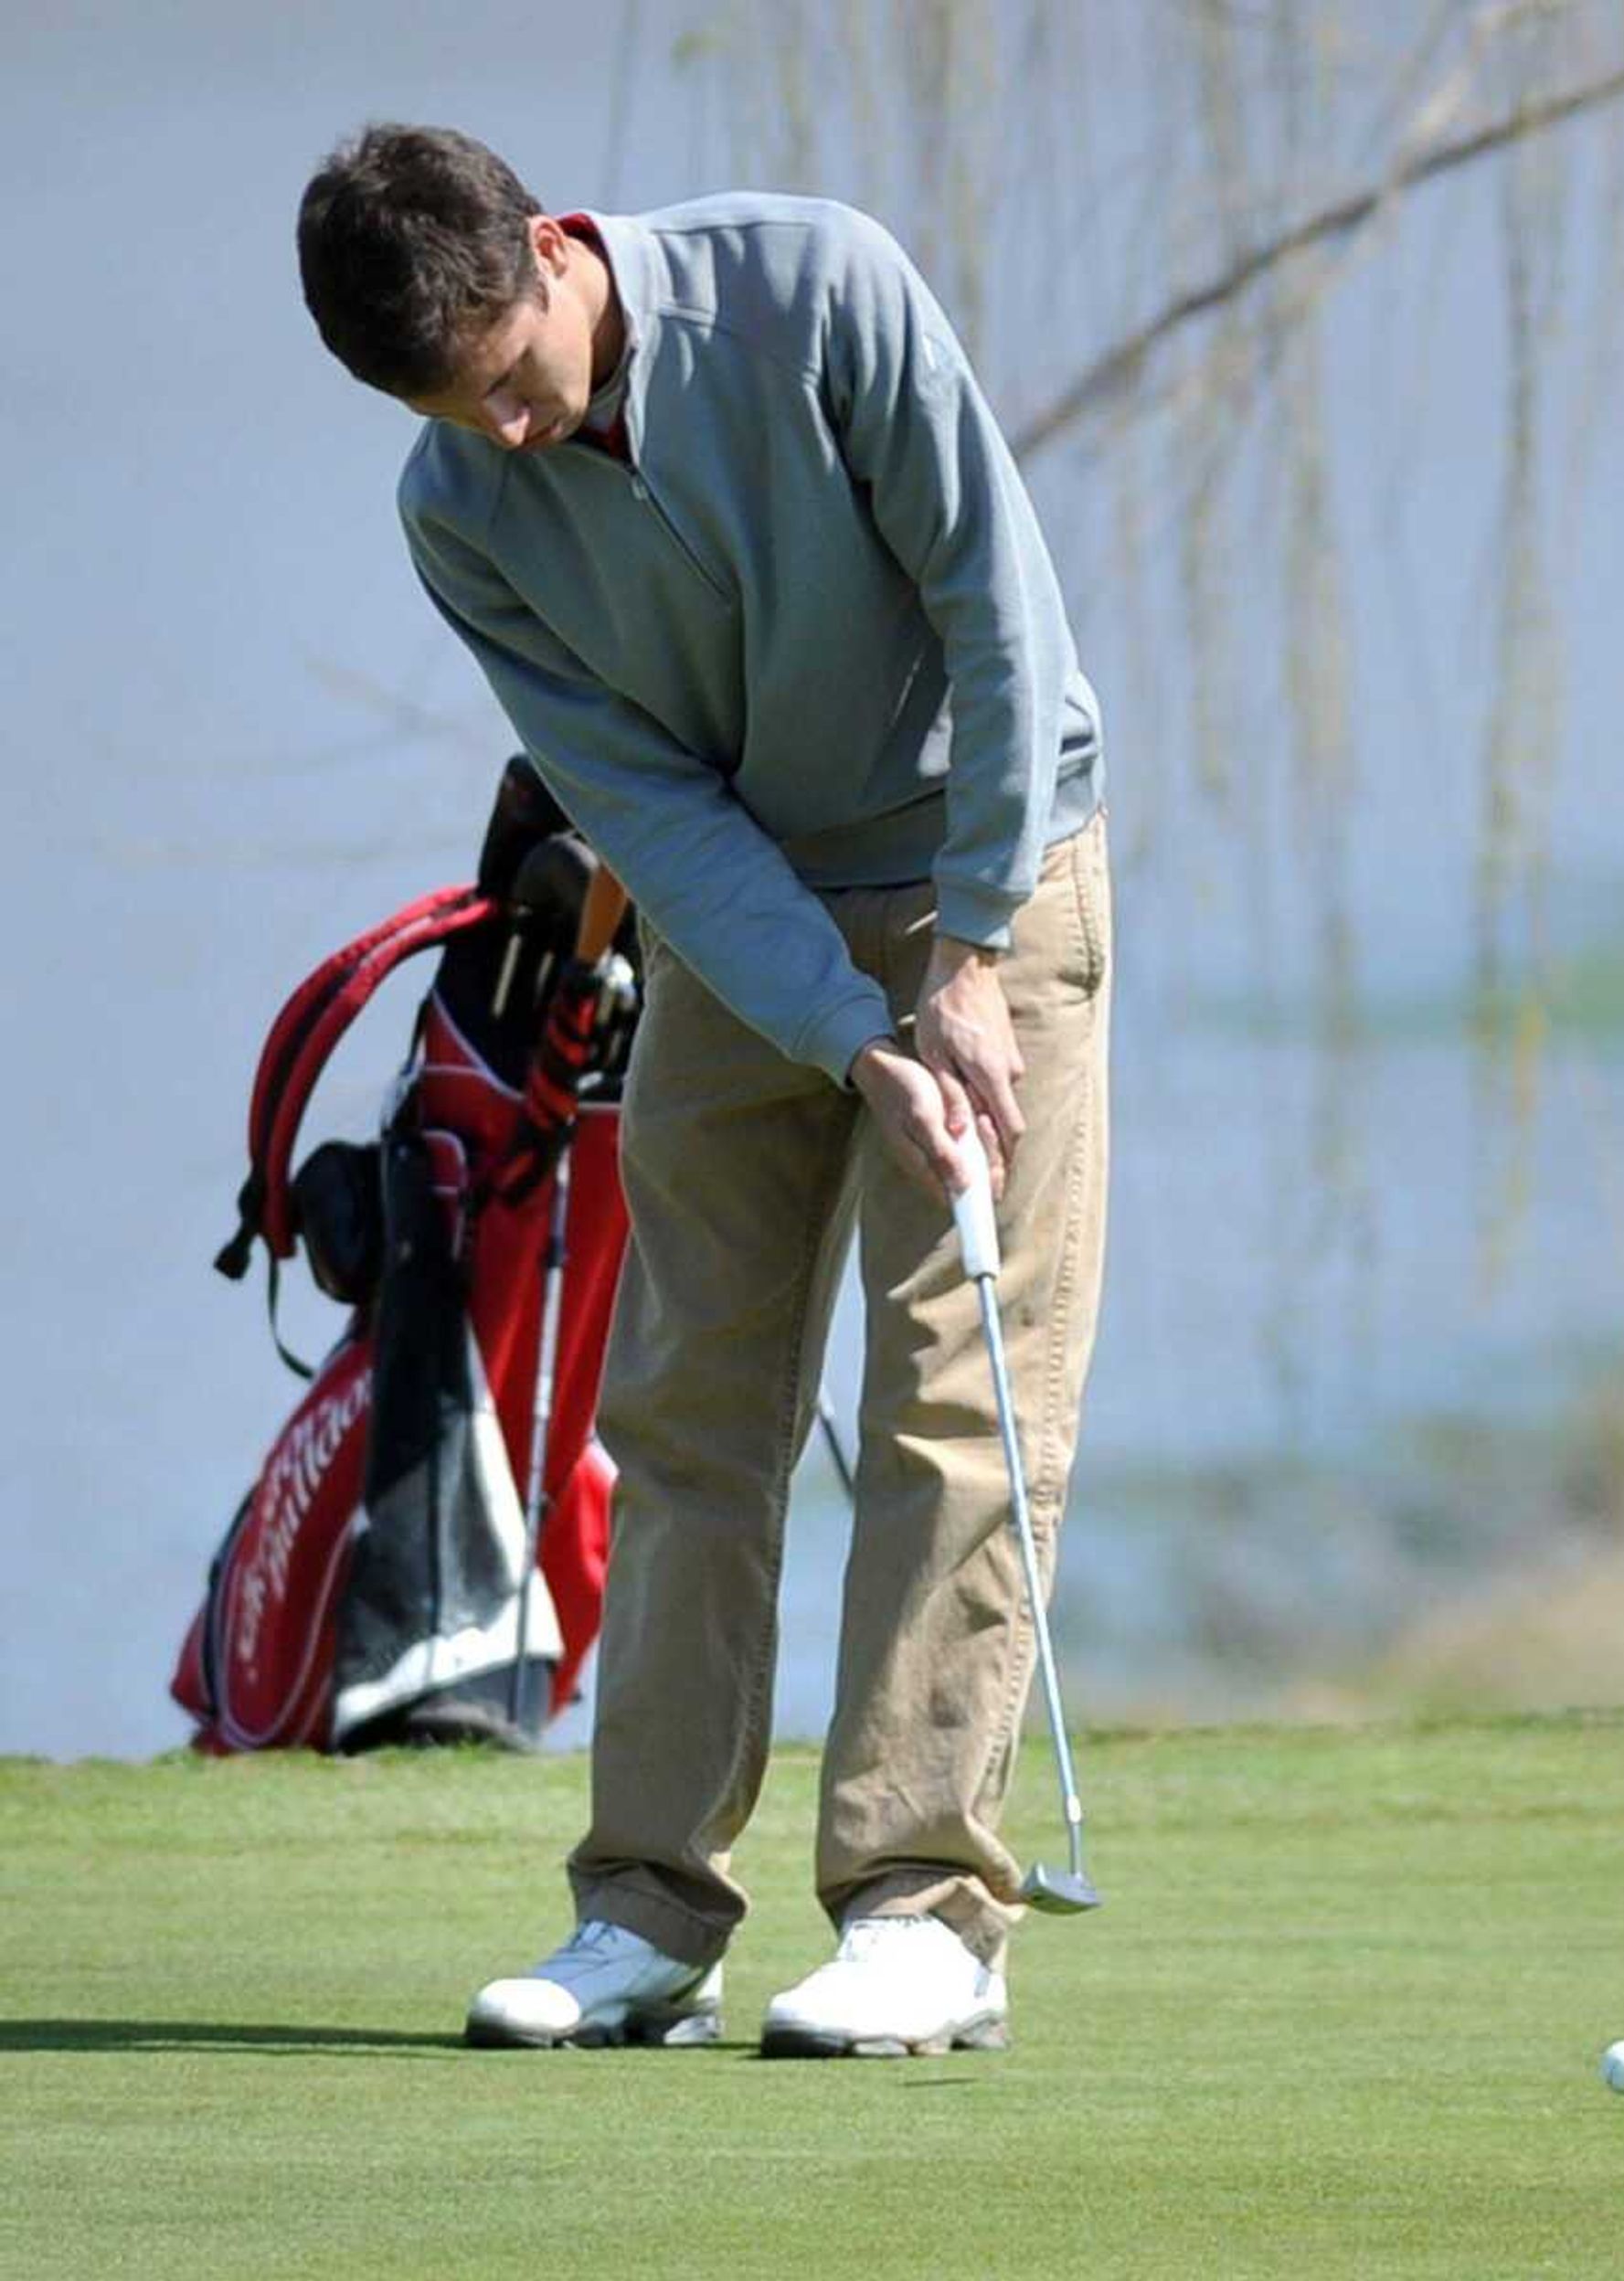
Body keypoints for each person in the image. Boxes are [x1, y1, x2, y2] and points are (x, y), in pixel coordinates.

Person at [297, 123, 1111, 2058]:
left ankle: (926, 1911)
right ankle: (649, 1912)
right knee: (683, 1407)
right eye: (445, 409)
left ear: (557, 256)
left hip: (991, 859)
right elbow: (644, 804)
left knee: (950, 1398)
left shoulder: (814, 285)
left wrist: (968, 965)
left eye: (507, 377)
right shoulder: (455, 506)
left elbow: (1004, 615)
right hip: (742, 908)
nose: (496, 434)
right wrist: (845, 1031)